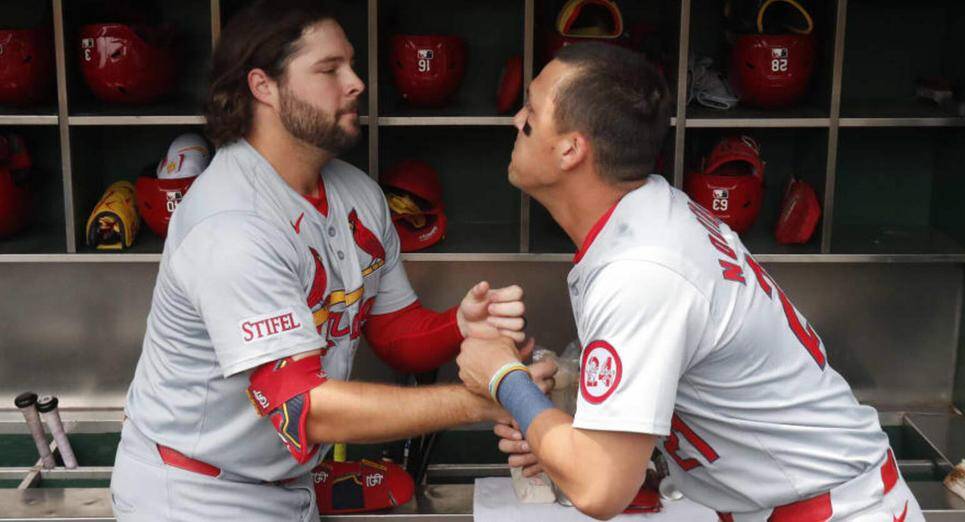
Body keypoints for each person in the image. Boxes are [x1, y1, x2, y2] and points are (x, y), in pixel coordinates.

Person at [109, 1, 552, 520]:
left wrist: (458, 324)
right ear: (263, 87)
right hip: (194, 495)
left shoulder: (356, 195)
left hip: (288, 484)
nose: (357, 82)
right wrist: (482, 400)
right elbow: (304, 409)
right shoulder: (232, 223)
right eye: (329, 70)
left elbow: (392, 333)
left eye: (352, 65)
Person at [456, 42, 924, 522]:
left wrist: (503, 379)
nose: (517, 121)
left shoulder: (640, 266)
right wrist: (564, 429)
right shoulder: (649, 213)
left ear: (571, 149)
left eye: (531, 114)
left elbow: (600, 488)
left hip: (838, 512)